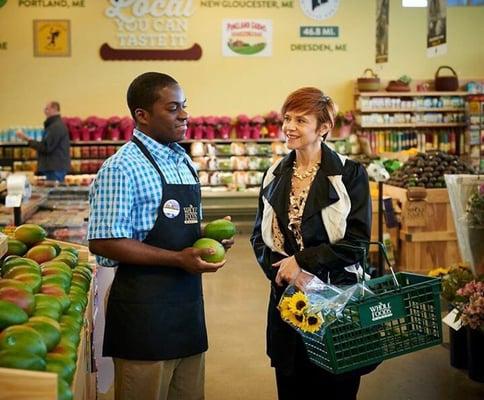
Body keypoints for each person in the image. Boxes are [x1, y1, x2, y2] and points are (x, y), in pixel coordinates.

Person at [87, 72, 233, 400]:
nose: (184, 114)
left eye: (184, 106)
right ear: (142, 115)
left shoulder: (182, 161)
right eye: (172, 108)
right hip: (144, 316)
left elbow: (178, 225)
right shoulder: (121, 168)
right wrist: (178, 259)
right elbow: (104, 241)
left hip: (188, 312)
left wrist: (206, 236)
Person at [250, 87, 373, 400]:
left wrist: (302, 262)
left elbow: (357, 243)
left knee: (335, 387)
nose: (289, 126)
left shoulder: (348, 175)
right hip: (288, 303)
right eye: (287, 118)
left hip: (337, 301)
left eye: (300, 120)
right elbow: (258, 237)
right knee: (292, 387)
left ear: (323, 128)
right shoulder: (274, 174)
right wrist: (285, 272)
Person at [16, 101, 70, 182]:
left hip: (55, 168)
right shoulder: (53, 126)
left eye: (47, 109)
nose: (44, 111)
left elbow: (46, 147)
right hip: (54, 167)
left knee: (54, 192)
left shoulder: (56, 127)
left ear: (54, 109)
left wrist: (27, 139)